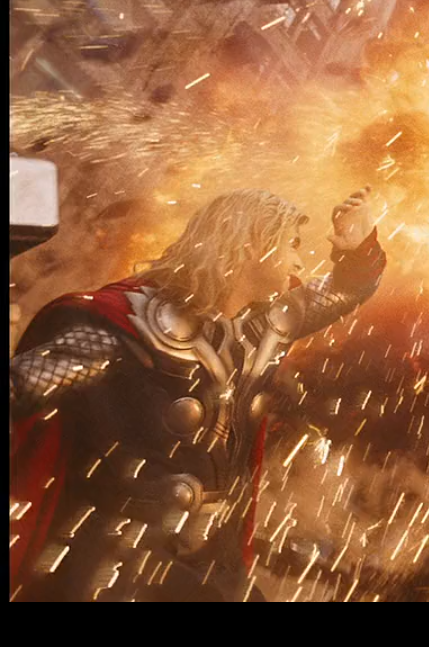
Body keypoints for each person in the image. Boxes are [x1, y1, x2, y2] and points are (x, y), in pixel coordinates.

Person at [9, 186, 386, 601]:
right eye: (291, 244)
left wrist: (358, 251)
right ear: (252, 244)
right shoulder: (125, 323)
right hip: (117, 562)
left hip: (213, 559)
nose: (298, 261)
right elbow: (21, 388)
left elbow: (343, 290)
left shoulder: (263, 327)